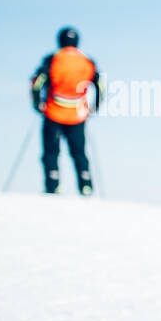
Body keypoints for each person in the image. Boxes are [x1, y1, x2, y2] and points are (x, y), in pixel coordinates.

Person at [30, 27, 102, 195]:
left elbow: (37, 82)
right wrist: (95, 106)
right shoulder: (87, 62)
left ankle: (53, 185)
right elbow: (100, 85)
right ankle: (86, 185)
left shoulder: (53, 59)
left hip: (53, 113)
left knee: (51, 152)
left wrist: (37, 103)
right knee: (79, 153)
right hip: (77, 116)